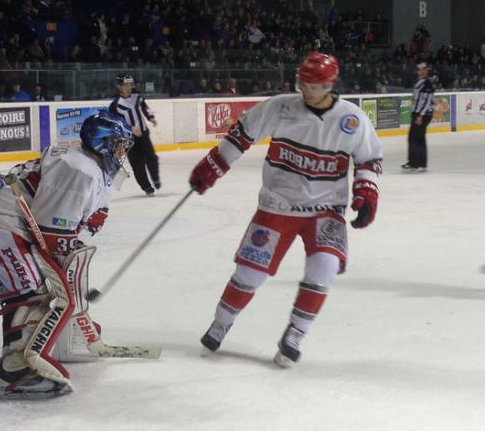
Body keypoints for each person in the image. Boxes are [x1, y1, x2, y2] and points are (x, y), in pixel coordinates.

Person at [189, 52, 383, 367]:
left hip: (326, 210)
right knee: (249, 274)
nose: (306, 90)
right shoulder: (280, 107)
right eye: (302, 83)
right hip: (277, 206)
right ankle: (221, 322)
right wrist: (212, 166)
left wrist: (367, 193)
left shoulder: (352, 120)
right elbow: (242, 134)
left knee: (325, 270)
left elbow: (369, 159)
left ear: (330, 85)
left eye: (314, 86)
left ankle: (295, 333)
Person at [0, 113, 133, 399]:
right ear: (104, 143)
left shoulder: (91, 166)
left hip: (1, 217)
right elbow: (52, 235)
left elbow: (86, 218)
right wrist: (70, 288)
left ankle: (59, 339)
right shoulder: (79, 169)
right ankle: (15, 373)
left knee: (51, 286)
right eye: (119, 145)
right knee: (32, 293)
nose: (122, 152)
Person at [108, 73, 161, 195]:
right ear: (119, 86)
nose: (129, 87)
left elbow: (145, 108)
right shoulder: (115, 105)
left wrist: (151, 117)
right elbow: (115, 123)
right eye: (126, 85)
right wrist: (130, 128)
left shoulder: (138, 97)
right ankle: (146, 187)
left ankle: (155, 178)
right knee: (137, 164)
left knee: (151, 157)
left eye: (130, 84)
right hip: (128, 139)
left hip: (143, 134)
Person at [402, 63, 434, 172]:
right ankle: (416, 162)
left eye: (424, 69)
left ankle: (418, 164)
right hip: (417, 114)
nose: (422, 71)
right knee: (414, 138)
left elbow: (428, 101)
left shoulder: (427, 83)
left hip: (422, 114)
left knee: (417, 138)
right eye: (420, 69)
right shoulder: (419, 83)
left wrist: (421, 115)